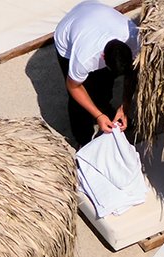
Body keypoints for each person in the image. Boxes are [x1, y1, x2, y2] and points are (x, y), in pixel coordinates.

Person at [53, 1, 140, 148]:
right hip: (67, 35)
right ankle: (83, 139)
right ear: (103, 58)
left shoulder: (134, 39)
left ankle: (105, 108)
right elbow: (73, 87)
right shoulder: (84, 58)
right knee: (79, 101)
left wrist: (124, 106)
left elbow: (132, 74)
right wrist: (98, 116)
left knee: (104, 86)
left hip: (95, 13)